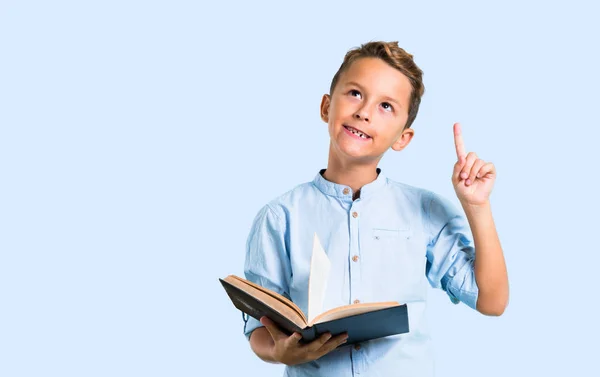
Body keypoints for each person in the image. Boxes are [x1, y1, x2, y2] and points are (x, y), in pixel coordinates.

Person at [241, 41, 509, 376]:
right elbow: (259, 327)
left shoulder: (423, 209)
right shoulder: (279, 217)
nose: (364, 111)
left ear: (403, 138)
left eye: (386, 106)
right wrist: (281, 352)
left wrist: (477, 206)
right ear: (326, 107)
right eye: (354, 93)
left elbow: (492, 301)